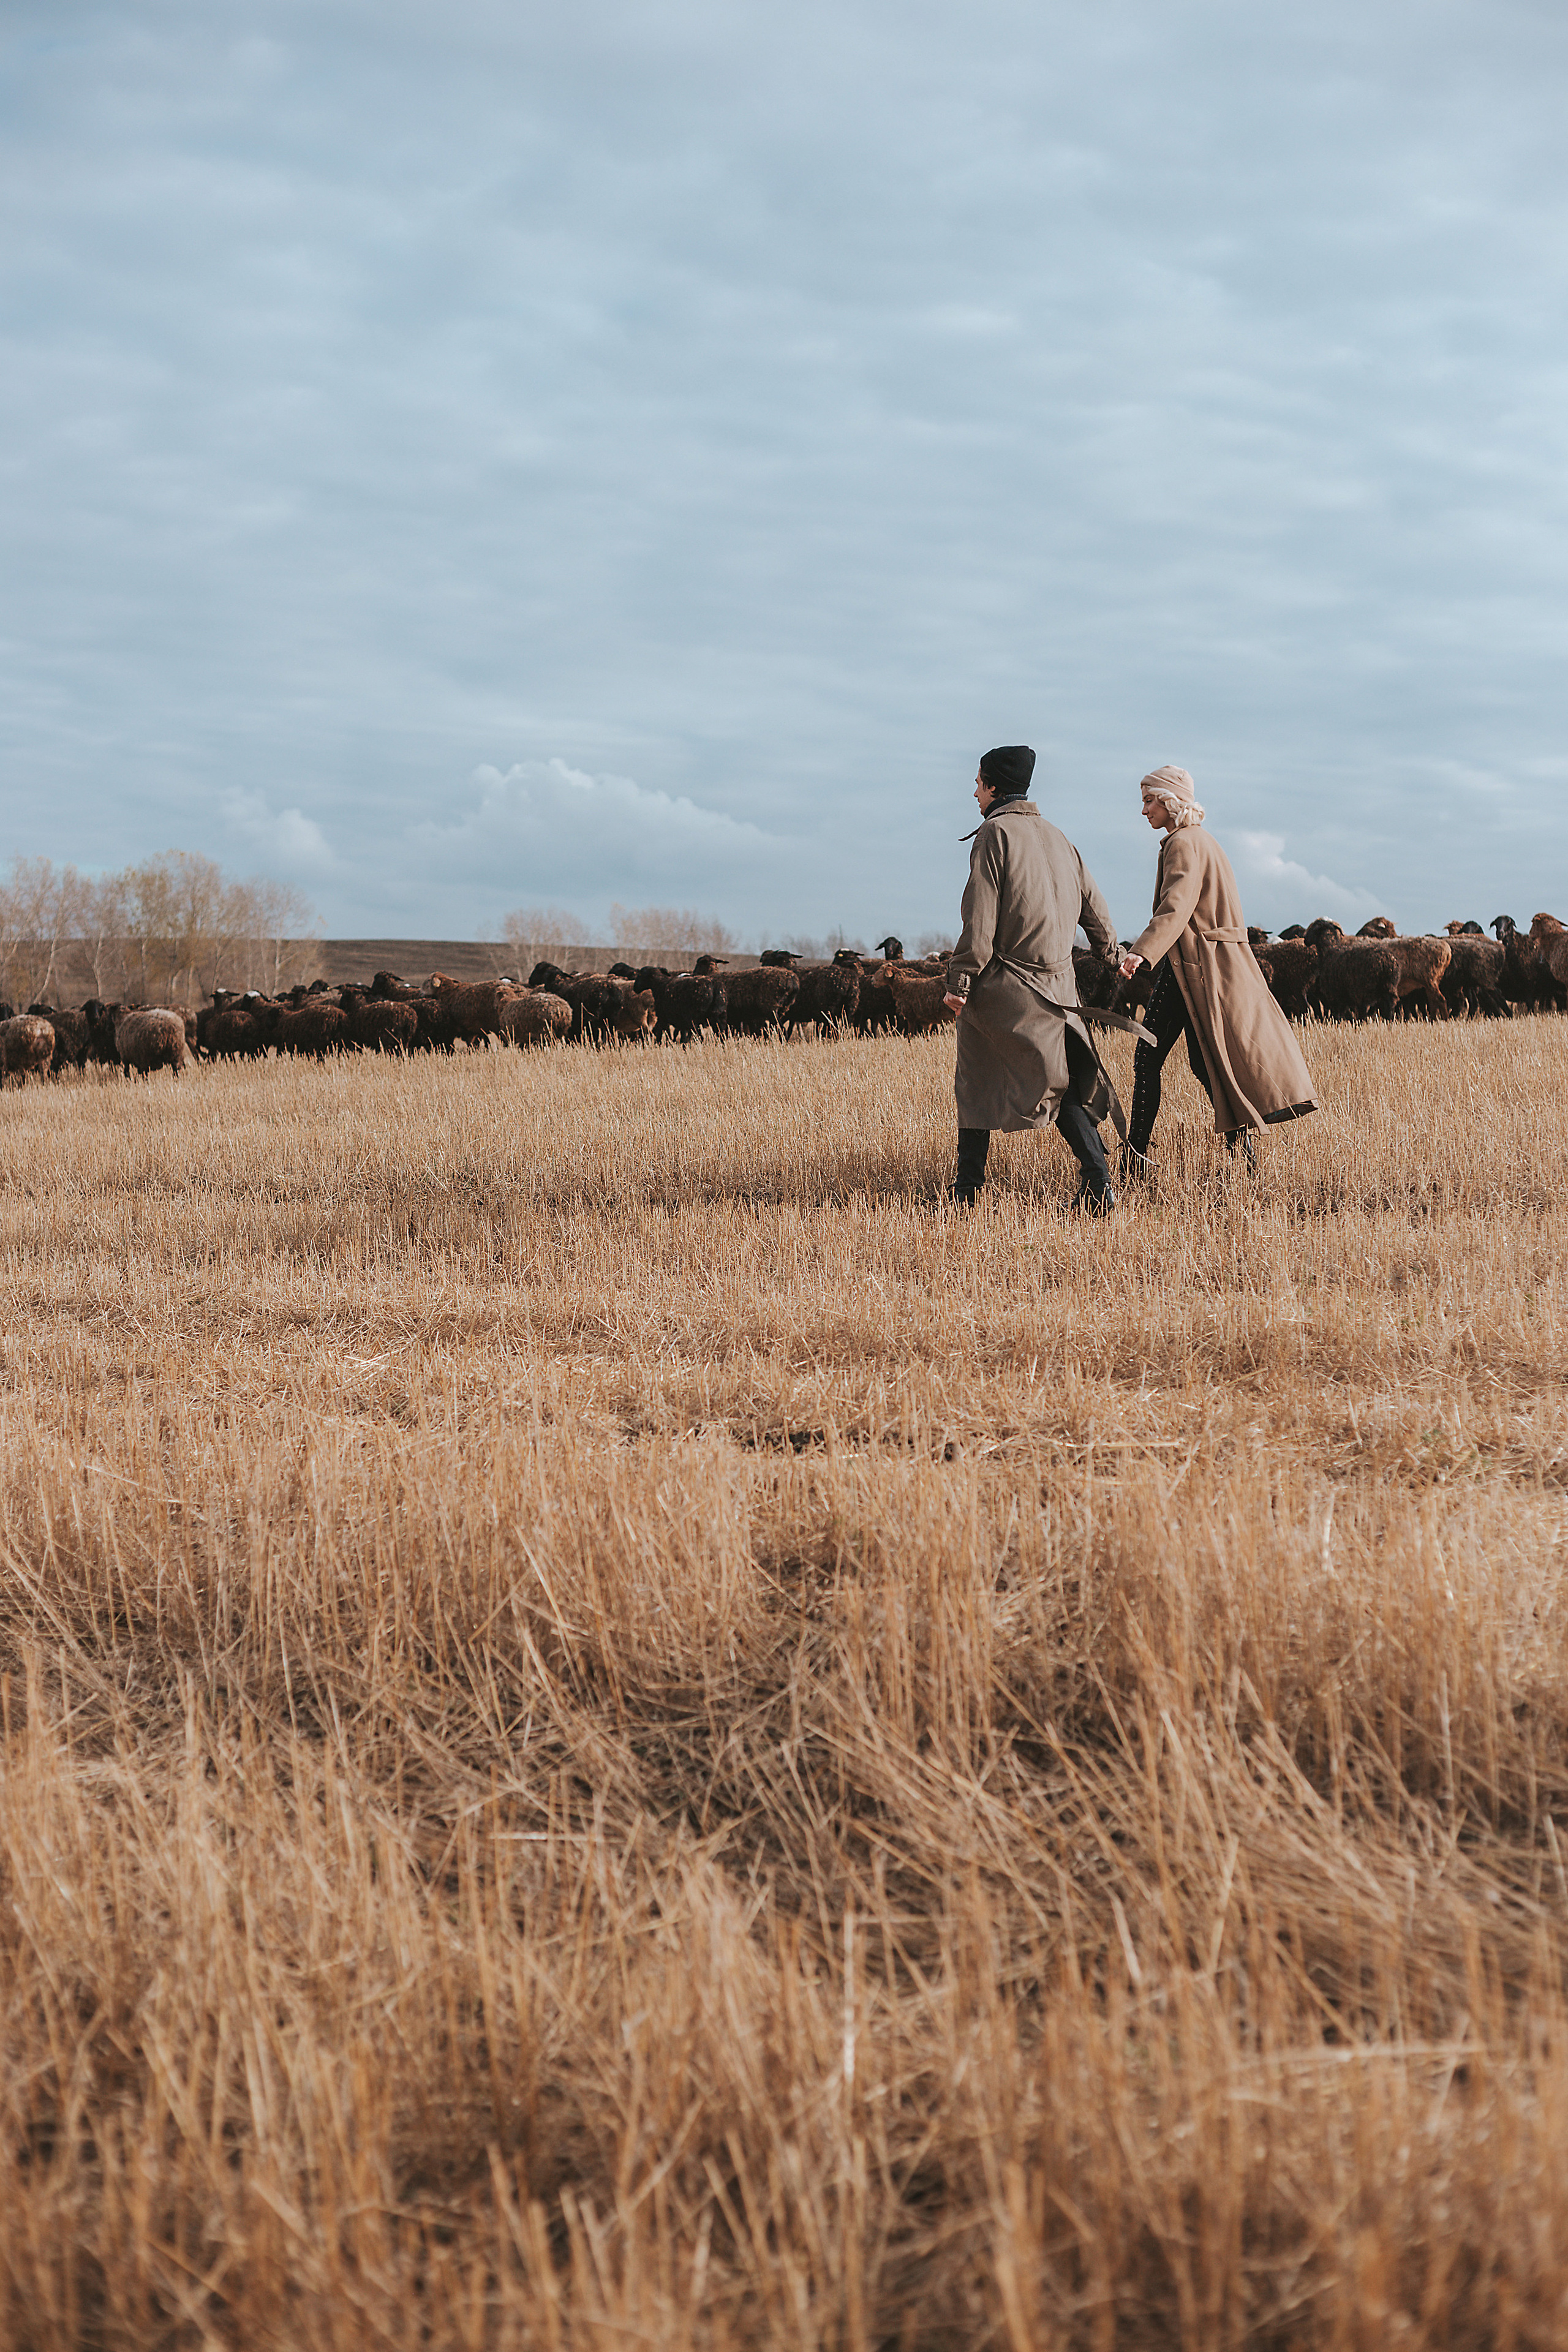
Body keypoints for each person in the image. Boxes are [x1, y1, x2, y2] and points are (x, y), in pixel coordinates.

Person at [942, 745, 1123, 1212]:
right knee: (1055, 1083)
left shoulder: (993, 834)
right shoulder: (1059, 836)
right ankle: (1095, 1182)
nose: (974, 791)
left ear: (994, 786)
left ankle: (970, 1191)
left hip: (1008, 985)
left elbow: (978, 923)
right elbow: (1096, 910)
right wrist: (1112, 954)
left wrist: (961, 983)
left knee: (982, 1082)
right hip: (1060, 987)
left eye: (978, 782)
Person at [1117, 764, 1316, 1179]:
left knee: (1146, 1058)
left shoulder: (1183, 844)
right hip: (1206, 966)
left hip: (1192, 966)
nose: (1144, 811)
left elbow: (1177, 906)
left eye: (1149, 800)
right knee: (1204, 1063)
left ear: (1170, 801)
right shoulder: (1202, 841)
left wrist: (1141, 953)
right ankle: (1244, 1158)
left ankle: (1132, 1164)